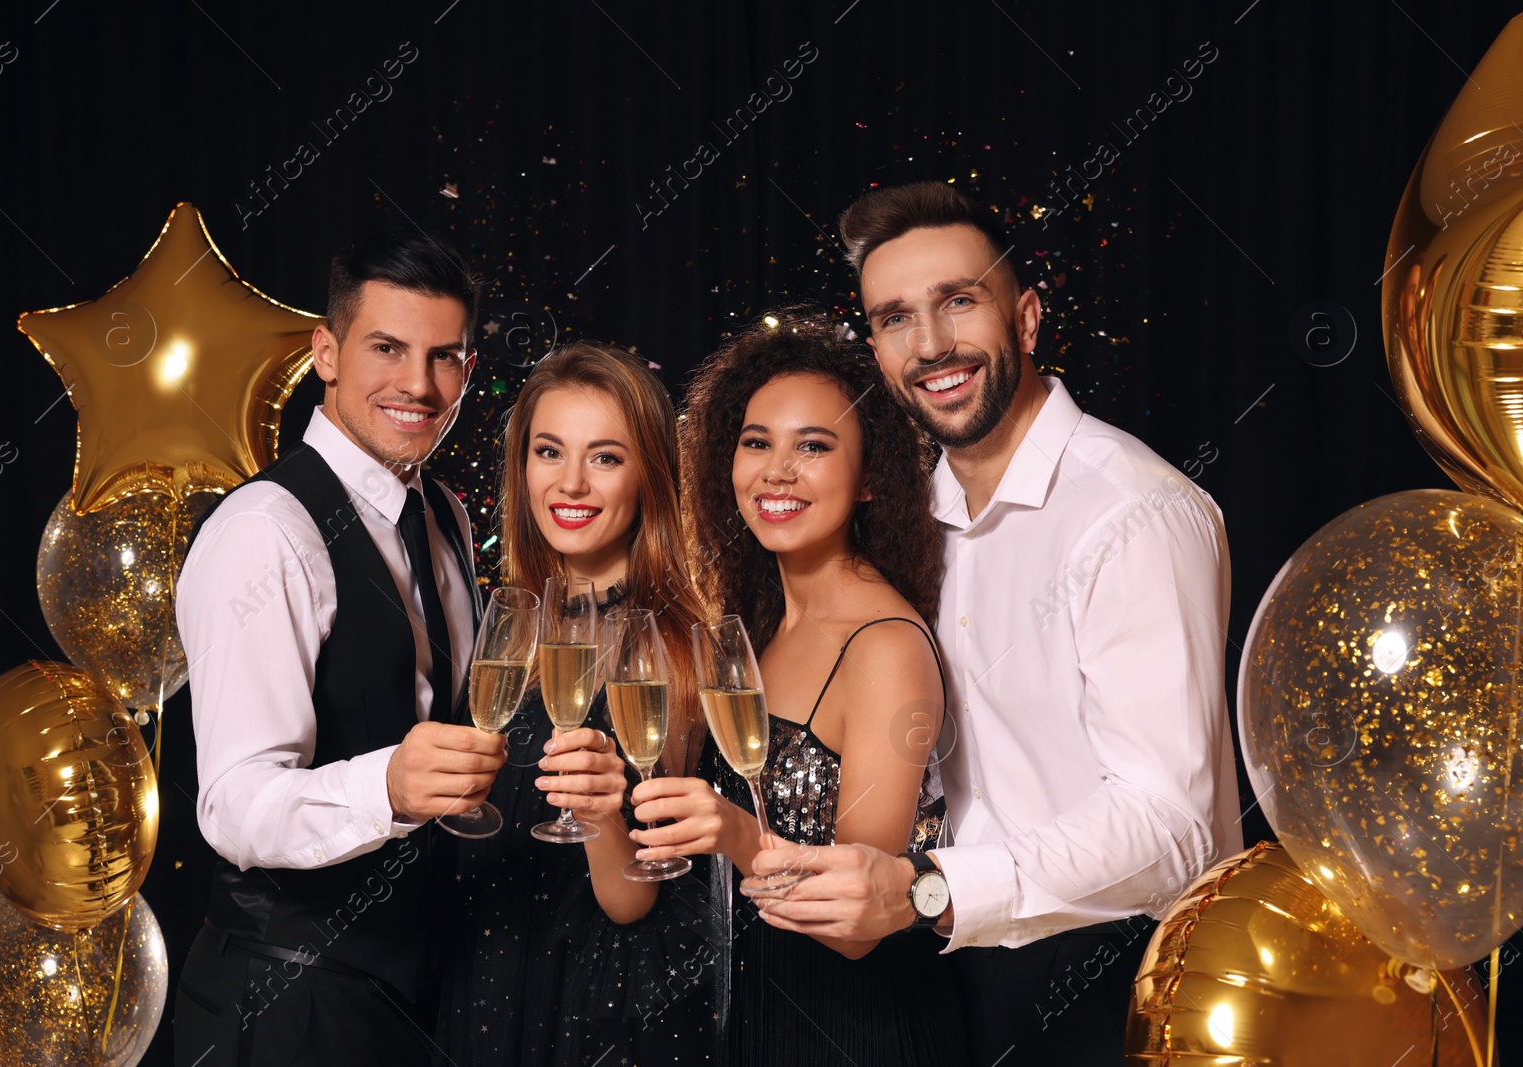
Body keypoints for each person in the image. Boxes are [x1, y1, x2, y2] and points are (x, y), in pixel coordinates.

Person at [750, 182, 1244, 1063]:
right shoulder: (914, 520)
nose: (931, 344)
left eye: (958, 302)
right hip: (946, 985)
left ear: (1025, 317)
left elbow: (1172, 828)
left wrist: (931, 889)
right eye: (896, 317)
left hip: (1108, 985)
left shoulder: (1133, 513)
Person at [172, 230, 505, 1066]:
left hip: (416, 993)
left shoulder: (443, 516)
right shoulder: (264, 532)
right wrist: (386, 785)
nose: (418, 385)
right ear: (326, 351)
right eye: (387, 348)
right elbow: (234, 803)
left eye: (446, 357)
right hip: (289, 1004)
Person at [628, 315, 969, 1065]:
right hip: (755, 1021)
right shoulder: (758, 621)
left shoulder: (884, 646)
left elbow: (859, 926)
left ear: (872, 474)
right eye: (758, 442)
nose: (776, 470)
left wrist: (734, 830)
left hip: (856, 1033)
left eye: (813, 446)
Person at [437, 342, 721, 1065]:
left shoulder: (680, 645)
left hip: (599, 1011)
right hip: (481, 980)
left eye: (604, 457)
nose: (570, 483)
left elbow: (636, 903)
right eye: (548, 451)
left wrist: (599, 819)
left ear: (649, 474)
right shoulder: (503, 622)